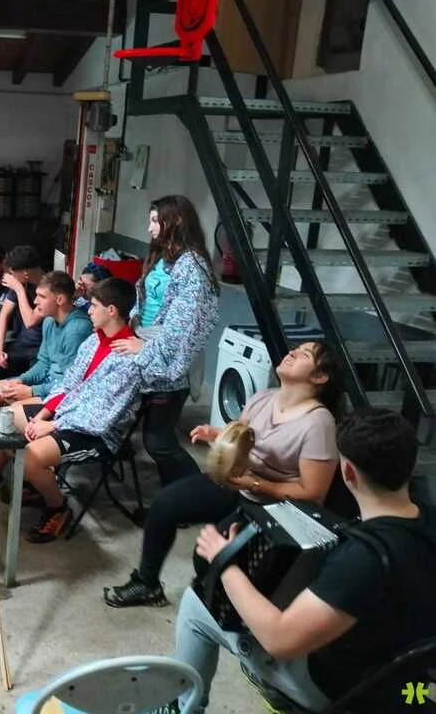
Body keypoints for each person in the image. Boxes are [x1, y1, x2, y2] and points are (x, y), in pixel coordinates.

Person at [164, 408, 436, 714]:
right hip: (409, 688)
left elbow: (279, 640)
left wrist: (224, 562)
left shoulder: (364, 558)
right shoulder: (427, 521)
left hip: (346, 693)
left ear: (347, 472)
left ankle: (184, 708)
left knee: (197, 605)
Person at [104, 341, 343, 608]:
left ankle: (219, 599)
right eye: (294, 349)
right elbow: (241, 435)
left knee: (205, 557)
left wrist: (255, 483)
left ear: (320, 377)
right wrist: (216, 434)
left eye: (304, 354)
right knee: (164, 505)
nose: (292, 353)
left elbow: (312, 492)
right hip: (238, 482)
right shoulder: (264, 398)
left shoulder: (318, 424)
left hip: (271, 505)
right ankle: (147, 585)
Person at [13, 277, 142, 543]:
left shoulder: (129, 357)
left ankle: (58, 508)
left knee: (30, 457)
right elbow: (68, 384)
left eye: (93, 305)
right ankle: (40, 484)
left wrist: (53, 425)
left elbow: (101, 415)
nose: (88, 311)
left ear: (111, 310)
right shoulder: (95, 340)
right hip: (70, 416)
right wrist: (43, 414)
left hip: (97, 434)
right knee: (10, 417)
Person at [112, 195, 220, 488]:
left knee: (159, 441)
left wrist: (146, 348)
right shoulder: (162, 257)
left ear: (176, 221)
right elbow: (144, 300)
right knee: (152, 437)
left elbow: (182, 327)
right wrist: (132, 324)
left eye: (154, 221)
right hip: (146, 345)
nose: (149, 228)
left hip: (168, 362)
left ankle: (197, 493)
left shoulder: (192, 266)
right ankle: (175, 494)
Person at [0, 271, 93, 497]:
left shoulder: (77, 329)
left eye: (41, 296)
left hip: (61, 396)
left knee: (9, 415)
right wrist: (21, 380)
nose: (35, 301)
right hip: (48, 386)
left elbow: (70, 383)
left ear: (60, 299)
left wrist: (31, 390)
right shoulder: (50, 321)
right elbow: (43, 363)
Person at [0, 245, 45, 387]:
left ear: (26, 273)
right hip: (20, 345)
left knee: (16, 384)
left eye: (12, 273)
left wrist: (19, 289)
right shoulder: (22, 283)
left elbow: (30, 322)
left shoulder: (48, 288)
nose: (10, 277)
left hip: (39, 352)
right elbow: (3, 316)